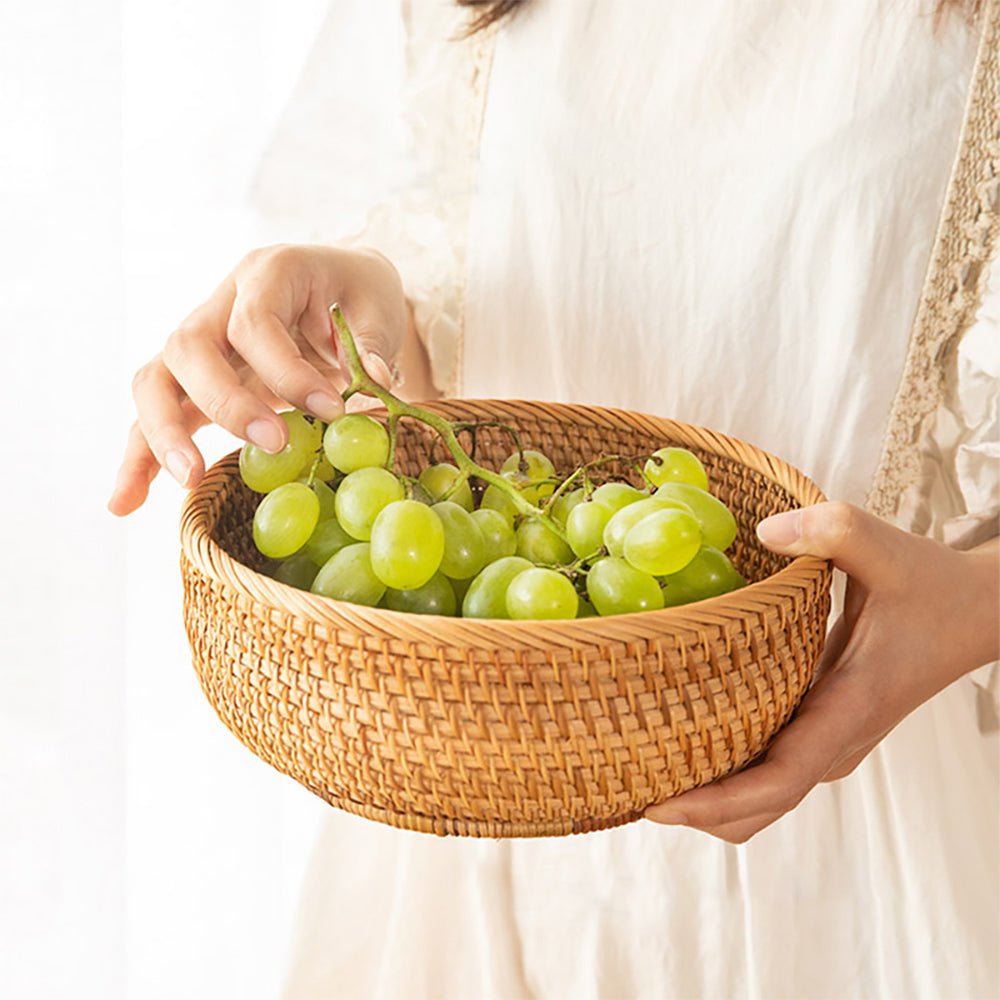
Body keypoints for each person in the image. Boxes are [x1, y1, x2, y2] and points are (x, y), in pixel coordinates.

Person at [109, 1, 999, 996]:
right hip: (468, 784)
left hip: (853, 829)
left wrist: (975, 607)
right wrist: (368, 304)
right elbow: (449, 335)